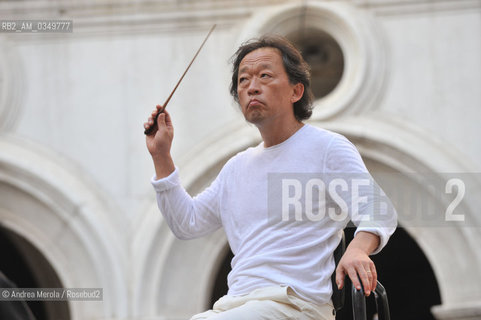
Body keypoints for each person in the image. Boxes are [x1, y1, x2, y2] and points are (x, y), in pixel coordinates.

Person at [144, 35, 397, 320]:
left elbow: (378, 209)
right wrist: (161, 156)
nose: (252, 87)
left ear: (296, 91)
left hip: (296, 306)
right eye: (243, 81)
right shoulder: (236, 167)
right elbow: (186, 223)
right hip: (238, 305)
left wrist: (358, 249)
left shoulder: (327, 147)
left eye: (265, 76)